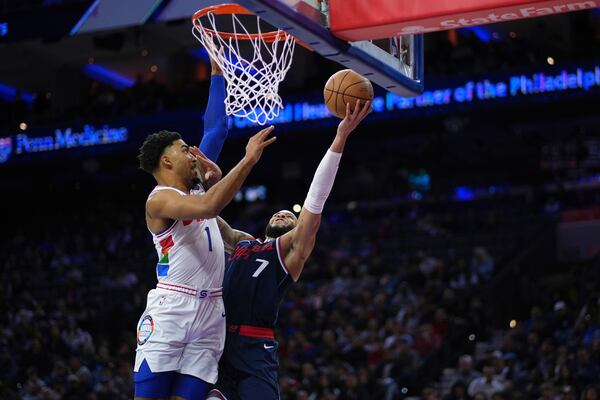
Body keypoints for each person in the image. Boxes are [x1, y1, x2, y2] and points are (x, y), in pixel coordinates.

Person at [206, 100, 372, 400]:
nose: (282, 214)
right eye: (278, 213)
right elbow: (207, 213)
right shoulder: (244, 242)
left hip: (255, 350)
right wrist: (194, 187)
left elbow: (315, 200)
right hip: (216, 344)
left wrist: (339, 137)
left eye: (290, 216)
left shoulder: (291, 251)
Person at [132, 66, 277, 398]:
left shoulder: (196, 188)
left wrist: (216, 71)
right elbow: (209, 207)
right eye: (183, 149)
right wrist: (248, 160)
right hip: (173, 309)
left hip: (212, 312)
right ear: (166, 163)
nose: (193, 152)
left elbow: (216, 128)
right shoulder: (160, 199)